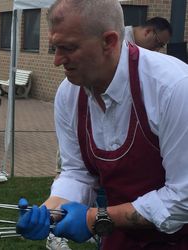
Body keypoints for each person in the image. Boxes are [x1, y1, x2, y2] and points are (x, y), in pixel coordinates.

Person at [16, 0, 188, 249]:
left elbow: (182, 198)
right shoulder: (69, 94)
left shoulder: (173, 88)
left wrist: (94, 218)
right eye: (55, 47)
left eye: (69, 48)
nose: (57, 60)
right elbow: (77, 172)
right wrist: (50, 211)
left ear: (109, 41)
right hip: (119, 237)